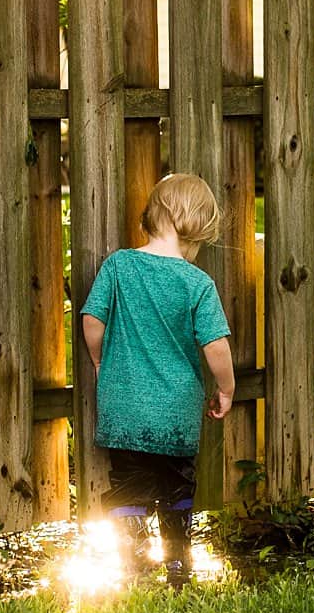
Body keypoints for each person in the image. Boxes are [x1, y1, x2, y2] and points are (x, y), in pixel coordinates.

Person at [79, 173, 235, 589]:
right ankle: (179, 566)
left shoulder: (119, 265)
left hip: (124, 406)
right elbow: (216, 345)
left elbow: (92, 319)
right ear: (193, 226)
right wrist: (226, 388)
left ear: (154, 215)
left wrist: (100, 361)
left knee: (127, 484)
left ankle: (132, 567)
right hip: (176, 412)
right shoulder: (196, 282)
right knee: (176, 482)